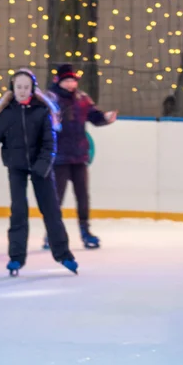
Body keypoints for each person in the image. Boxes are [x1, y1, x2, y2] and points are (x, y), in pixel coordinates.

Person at [0, 68, 78, 276]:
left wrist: (41, 168)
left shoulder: (42, 112)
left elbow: (49, 144)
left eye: (26, 87)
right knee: (18, 212)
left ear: (33, 89)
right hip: (16, 168)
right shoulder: (6, 115)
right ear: (12, 88)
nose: (23, 91)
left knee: (51, 211)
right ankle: (16, 258)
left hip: (40, 169)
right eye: (19, 87)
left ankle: (63, 254)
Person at [46, 63, 117, 250]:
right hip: (59, 157)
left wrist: (105, 118)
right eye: (67, 80)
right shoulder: (49, 99)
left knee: (83, 197)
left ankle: (85, 232)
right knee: (56, 198)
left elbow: (94, 116)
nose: (70, 84)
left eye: (73, 80)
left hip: (79, 157)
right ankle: (52, 234)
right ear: (58, 81)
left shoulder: (82, 98)